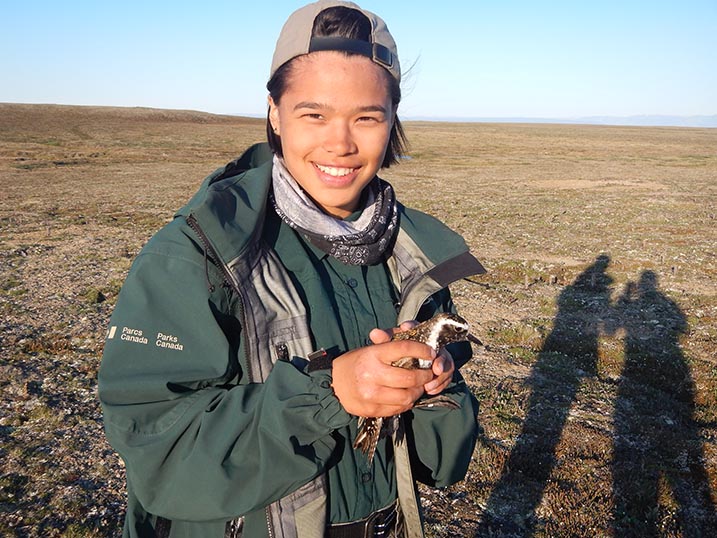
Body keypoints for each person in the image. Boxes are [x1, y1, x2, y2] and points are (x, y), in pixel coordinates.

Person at [98, 2, 485, 537]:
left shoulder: (414, 255)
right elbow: (158, 447)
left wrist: (434, 390)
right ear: (275, 113)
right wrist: (330, 394)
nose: (341, 143)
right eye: (314, 114)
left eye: (366, 117)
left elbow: (440, 465)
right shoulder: (200, 252)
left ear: (392, 121)